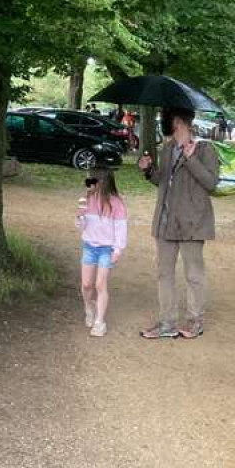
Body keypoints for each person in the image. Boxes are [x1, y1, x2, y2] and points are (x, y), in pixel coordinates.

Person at [138, 106, 220, 339]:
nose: (162, 120)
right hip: (165, 222)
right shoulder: (167, 148)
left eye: (165, 117)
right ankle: (167, 323)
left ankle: (195, 321)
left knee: (194, 274)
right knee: (164, 273)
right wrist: (148, 170)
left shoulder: (205, 149)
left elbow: (211, 183)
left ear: (177, 120)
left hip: (192, 223)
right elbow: (162, 180)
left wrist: (191, 158)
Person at [76, 169, 128, 337]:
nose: (88, 183)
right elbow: (80, 226)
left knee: (100, 284)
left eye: (91, 179)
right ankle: (88, 307)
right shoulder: (86, 200)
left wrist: (117, 250)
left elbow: (121, 228)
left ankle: (99, 322)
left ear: (102, 182)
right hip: (89, 246)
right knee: (86, 284)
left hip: (107, 249)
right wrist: (80, 216)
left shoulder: (117, 203)